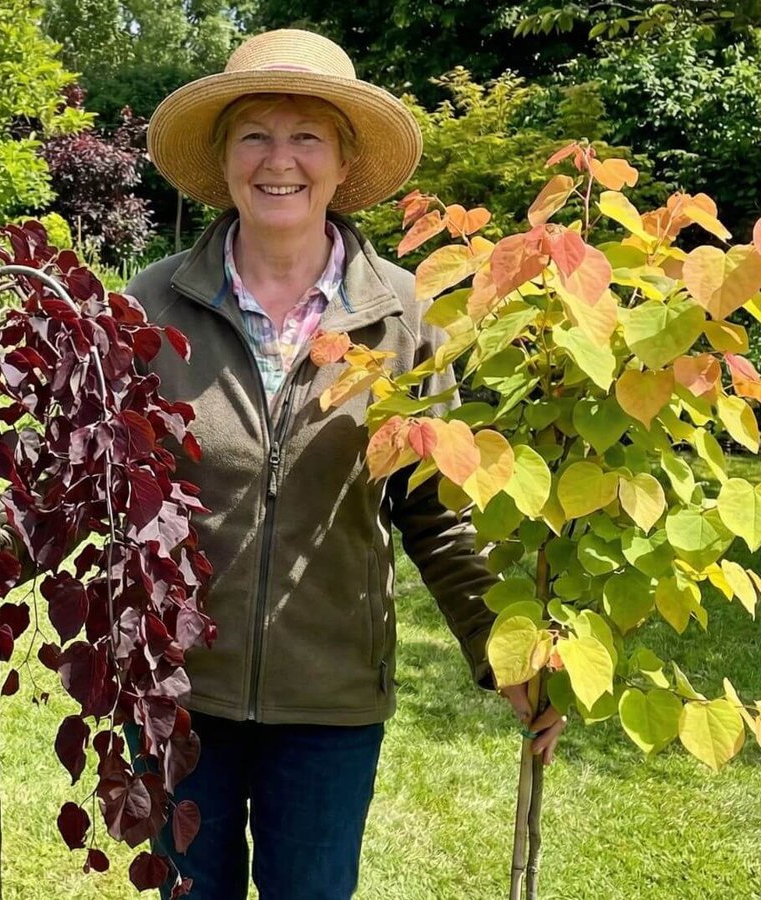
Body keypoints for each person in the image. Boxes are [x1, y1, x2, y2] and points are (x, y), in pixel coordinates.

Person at [121, 28, 566, 899]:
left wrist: (499, 651)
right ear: (222, 156)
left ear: (341, 158)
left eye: (306, 136)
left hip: (330, 706)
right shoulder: (149, 303)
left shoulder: (405, 314)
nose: (277, 160)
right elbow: (104, 490)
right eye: (254, 133)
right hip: (177, 696)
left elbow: (435, 508)